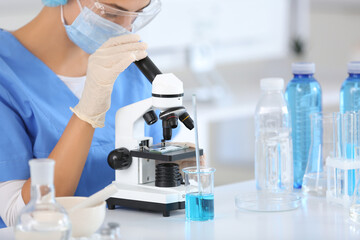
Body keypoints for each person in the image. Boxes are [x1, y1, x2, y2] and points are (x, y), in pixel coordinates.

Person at [0, 0, 167, 227]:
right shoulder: (6, 77)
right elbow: (19, 214)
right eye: (110, 12)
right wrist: (87, 113)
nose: (126, 29)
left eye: (136, 14)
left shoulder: (128, 69)